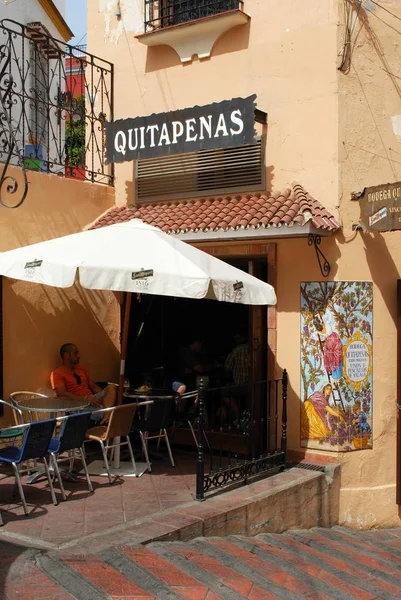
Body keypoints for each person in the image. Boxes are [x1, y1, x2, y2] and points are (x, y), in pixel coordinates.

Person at [50, 343, 116, 423]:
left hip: (91, 398)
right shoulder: (57, 373)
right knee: (113, 415)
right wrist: (85, 399)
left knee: (111, 388)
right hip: (77, 405)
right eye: (75, 353)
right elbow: (62, 394)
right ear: (66, 355)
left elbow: (93, 386)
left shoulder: (81, 368)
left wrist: (103, 399)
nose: (79, 355)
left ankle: (106, 415)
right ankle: (106, 416)